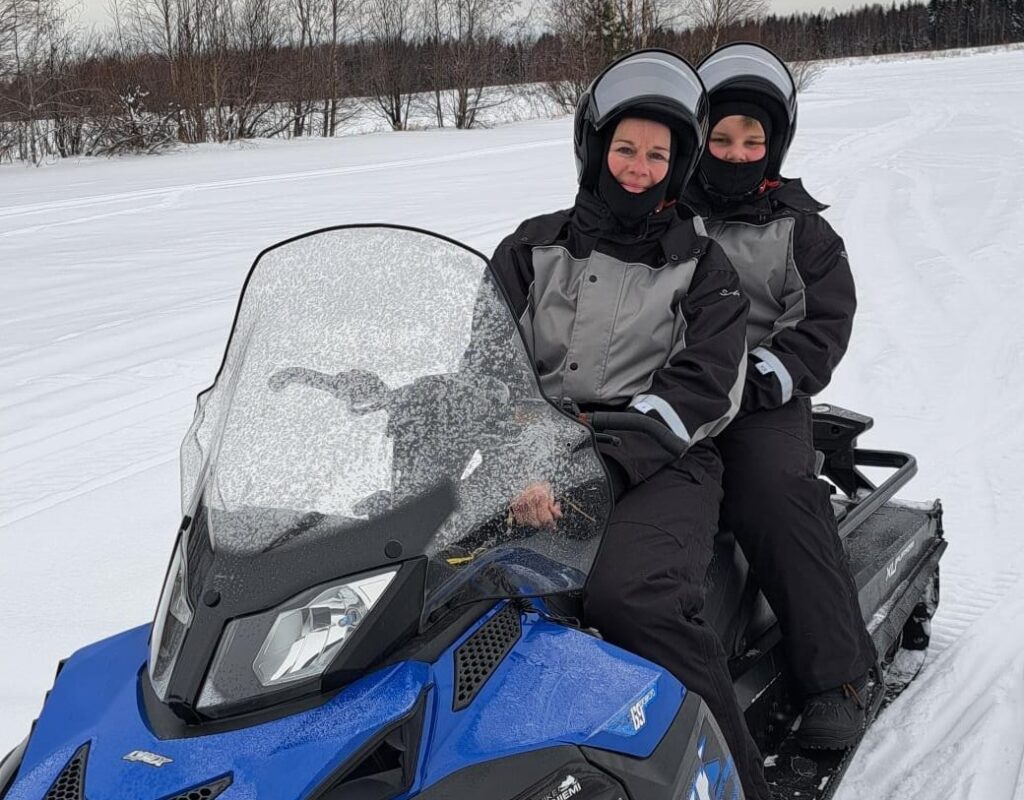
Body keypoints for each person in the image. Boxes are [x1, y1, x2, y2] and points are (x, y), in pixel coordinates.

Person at [491, 50, 772, 800]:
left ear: (677, 166)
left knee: (631, 599)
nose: (639, 168)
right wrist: (515, 452)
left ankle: (739, 780)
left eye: (657, 155)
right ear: (595, 149)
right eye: (625, 148)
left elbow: (705, 388)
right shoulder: (530, 248)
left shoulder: (703, 267)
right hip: (537, 452)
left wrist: (601, 462)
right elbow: (486, 366)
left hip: (662, 461)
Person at [683, 42, 877, 750]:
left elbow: (823, 324)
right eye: (721, 139)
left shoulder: (801, 228)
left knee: (771, 494)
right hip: (667, 392)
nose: (736, 154)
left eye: (752, 141)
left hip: (758, 399)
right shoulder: (666, 212)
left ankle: (838, 676)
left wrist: (766, 374)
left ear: (774, 144)